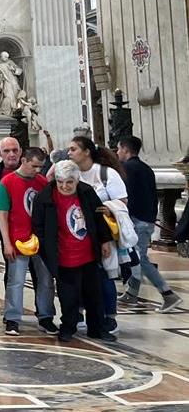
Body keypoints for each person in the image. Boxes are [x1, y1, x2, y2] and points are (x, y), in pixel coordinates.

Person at [32, 160, 117, 342]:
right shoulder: (44, 197)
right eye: (61, 181)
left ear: (77, 180)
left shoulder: (86, 192)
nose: (65, 186)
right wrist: (47, 250)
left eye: (69, 182)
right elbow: (38, 227)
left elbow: (97, 218)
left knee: (94, 295)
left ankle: (97, 328)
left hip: (87, 253)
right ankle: (68, 327)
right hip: (63, 256)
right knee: (68, 297)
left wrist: (104, 241)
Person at [66, 135, 127, 333]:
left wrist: (107, 207)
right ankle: (81, 312)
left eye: (73, 149)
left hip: (102, 232)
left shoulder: (106, 173)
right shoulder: (71, 174)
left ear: (86, 152)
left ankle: (109, 316)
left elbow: (123, 201)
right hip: (77, 232)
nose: (69, 153)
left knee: (104, 275)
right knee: (79, 276)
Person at [0, 148, 57, 335]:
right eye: (34, 166)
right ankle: (12, 318)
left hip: (40, 240)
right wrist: (6, 243)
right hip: (17, 240)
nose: (37, 170)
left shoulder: (42, 182)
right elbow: (2, 215)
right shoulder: (7, 182)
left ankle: (46, 316)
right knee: (16, 280)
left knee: (46, 280)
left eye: (41, 167)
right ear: (24, 160)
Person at [117, 136, 183, 312]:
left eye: (119, 149)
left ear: (125, 149)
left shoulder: (127, 168)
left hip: (137, 220)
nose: (117, 153)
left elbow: (127, 196)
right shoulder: (146, 168)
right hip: (147, 218)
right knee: (137, 256)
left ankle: (168, 294)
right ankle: (132, 293)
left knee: (140, 259)